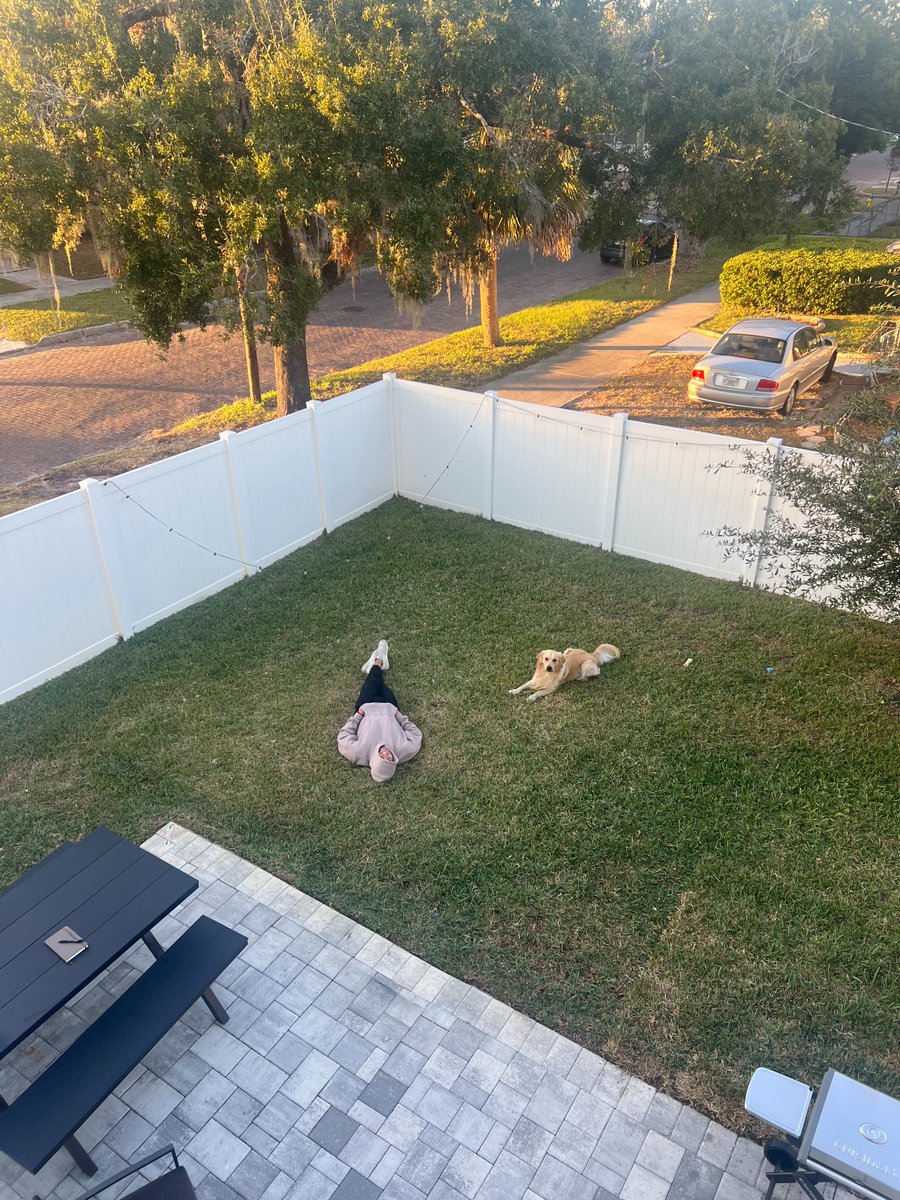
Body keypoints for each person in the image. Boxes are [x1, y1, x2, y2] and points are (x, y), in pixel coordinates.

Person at [337, 640, 422, 783]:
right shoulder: (404, 751)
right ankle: (374, 667)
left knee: (374, 680)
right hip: (390, 706)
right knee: (379, 683)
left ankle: (379, 660)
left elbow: (343, 736)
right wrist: (399, 716)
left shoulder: (358, 752)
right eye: (390, 759)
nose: (386, 754)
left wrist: (357, 717)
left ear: (375, 762)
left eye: (382, 758)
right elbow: (416, 735)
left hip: (367, 705)